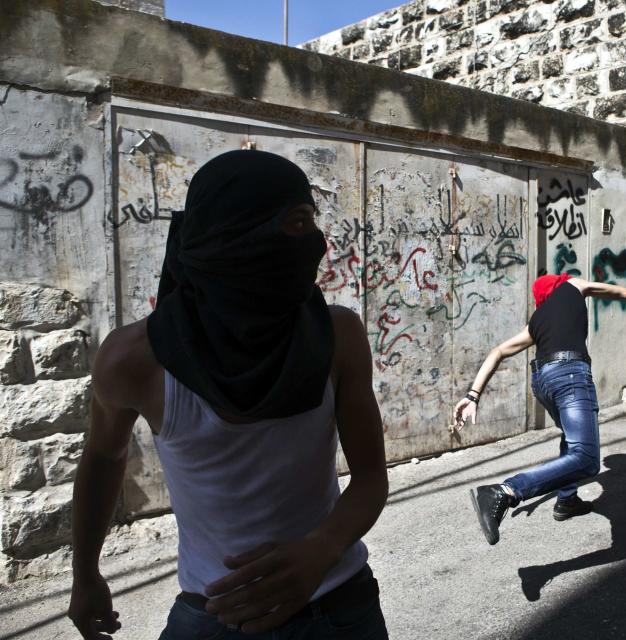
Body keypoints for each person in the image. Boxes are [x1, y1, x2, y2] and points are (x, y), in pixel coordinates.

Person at [68, 150, 389, 639]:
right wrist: (85, 574)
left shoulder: (337, 336)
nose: (317, 244)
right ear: (232, 236)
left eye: (311, 222)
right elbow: (103, 456)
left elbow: (370, 477)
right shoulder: (136, 359)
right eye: (297, 222)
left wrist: (321, 550)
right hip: (210, 616)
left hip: (337, 605)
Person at [454, 273, 626, 545]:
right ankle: (504, 491)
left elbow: (498, 351)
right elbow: (622, 293)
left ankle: (567, 500)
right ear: (558, 284)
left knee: (570, 436)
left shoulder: (536, 322)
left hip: (542, 382)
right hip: (569, 374)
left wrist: (472, 395)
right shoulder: (573, 285)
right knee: (587, 460)